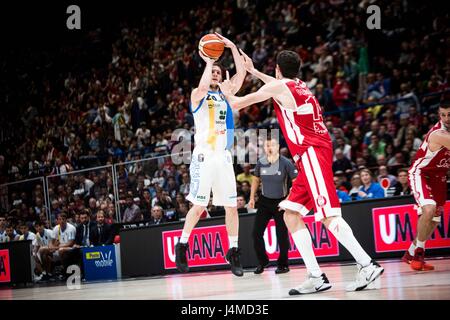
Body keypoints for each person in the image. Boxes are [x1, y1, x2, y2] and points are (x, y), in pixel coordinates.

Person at [220, 49, 383, 294]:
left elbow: (239, 103)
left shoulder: (281, 87)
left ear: (277, 68)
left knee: (328, 215)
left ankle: (367, 264)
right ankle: (316, 276)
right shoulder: (299, 84)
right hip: (311, 155)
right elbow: (277, 84)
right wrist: (253, 71)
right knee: (290, 214)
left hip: (312, 153)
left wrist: (226, 92)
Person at [175, 33, 246, 277]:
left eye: (218, 71)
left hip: (223, 156)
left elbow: (241, 75)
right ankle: (182, 244)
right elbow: (204, 86)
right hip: (204, 155)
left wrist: (233, 47)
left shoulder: (226, 94)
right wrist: (208, 61)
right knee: (199, 206)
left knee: (231, 207)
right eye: (213, 71)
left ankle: (233, 251)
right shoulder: (198, 94)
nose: (216, 74)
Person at [403, 101, 450, 271]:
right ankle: (419, 254)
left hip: (439, 176)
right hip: (421, 173)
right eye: (442, 115)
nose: (446, 118)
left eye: (449, 115)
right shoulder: (439, 134)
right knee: (429, 209)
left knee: (434, 221)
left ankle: (409, 254)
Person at [249, 137, 297, 275]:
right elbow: (256, 179)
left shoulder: (286, 163)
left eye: (272, 145)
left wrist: (288, 199)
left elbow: (296, 182)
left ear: (277, 147)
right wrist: (252, 198)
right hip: (264, 202)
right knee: (256, 233)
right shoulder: (261, 162)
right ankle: (262, 262)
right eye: (267, 145)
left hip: (280, 202)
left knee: (281, 235)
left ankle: (283, 265)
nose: (270, 147)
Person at [40, 213, 76, 281]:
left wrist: (56, 247)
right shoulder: (56, 228)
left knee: (61, 250)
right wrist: (51, 247)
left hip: (69, 249)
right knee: (42, 250)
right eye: (60, 219)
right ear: (57, 220)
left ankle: (65, 273)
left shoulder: (71, 228)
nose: (61, 221)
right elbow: (51, 241)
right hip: (58, 248)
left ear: (66, 220)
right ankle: (48, 273)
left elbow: (70, 243)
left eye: (63, 219)